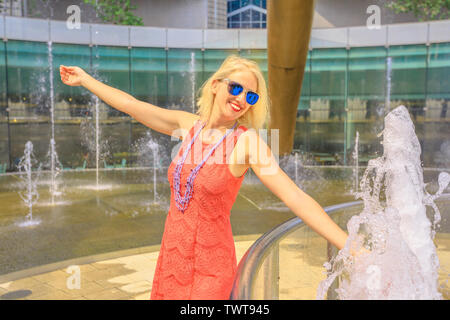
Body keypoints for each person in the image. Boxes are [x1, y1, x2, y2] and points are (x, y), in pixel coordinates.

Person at [59, 55, 352, 300]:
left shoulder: (246, 142)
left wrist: (349, 245)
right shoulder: (187, 126)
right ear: (215, 85)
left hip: (210, 272)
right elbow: (131, 105)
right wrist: (85, 80)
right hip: (171, 260)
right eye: (235, 88)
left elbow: (295, 196)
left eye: (250, 96)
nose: (241, 99)